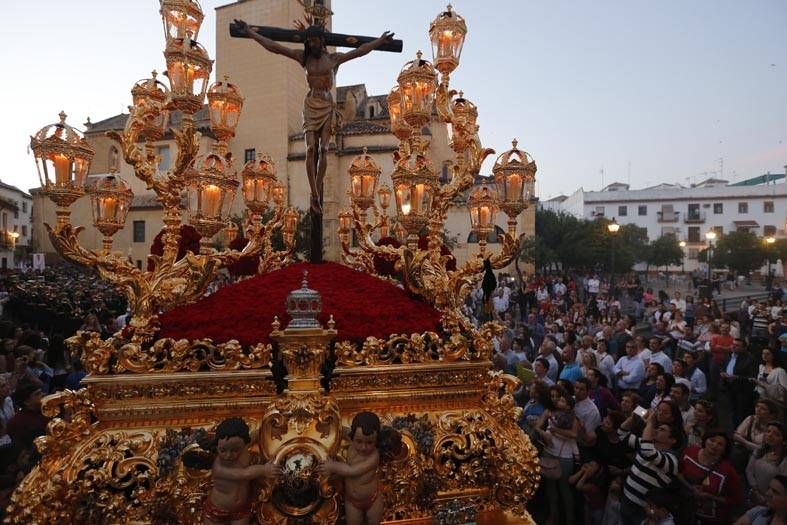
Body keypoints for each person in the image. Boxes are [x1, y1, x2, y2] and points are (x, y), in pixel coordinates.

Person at [203, 417, 280, 525]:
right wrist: (264, 470)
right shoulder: (219, 468)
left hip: (241, 510)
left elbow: (254, 435)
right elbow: (244, 473)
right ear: (217, 446)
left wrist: (271, 431)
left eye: (235, 450)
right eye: (222, 450)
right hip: (218, 511)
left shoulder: (243, 448)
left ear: (244, 445)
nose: (228, 455)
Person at [618, 410, 682, 525]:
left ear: (672, 440)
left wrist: (650, 423)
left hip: (644, 510)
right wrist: (632, 418)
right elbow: (621, 434)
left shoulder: (671, 460)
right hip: (626, 500)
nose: (656, 430)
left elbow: (648, 452)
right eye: (657, 428)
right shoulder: (645, 445)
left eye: (662, 430)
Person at [320, 412, 384, 525]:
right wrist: (328, 426)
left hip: (372, 499)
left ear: (376, 441)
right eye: (359, 441)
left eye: (370, 442)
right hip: (351, 500)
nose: (363, 447)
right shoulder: (352, 439)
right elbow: (341, 431)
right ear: (352, 436)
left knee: (374, 522)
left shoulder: (374, 457)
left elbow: (352, 471)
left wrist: (332, 466)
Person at [679, 429, 743, 524]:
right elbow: (678, 473)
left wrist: (710, 496)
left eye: (720, 444)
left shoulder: (728, 471)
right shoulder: (689, 452)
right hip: (686, 510)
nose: (715, 445)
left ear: (725, 450)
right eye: (712, 440)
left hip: (713, 519)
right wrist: (691, 488)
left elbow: (735, 499)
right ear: (705, 440)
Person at [746, 422, 787, 507]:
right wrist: (756, 491)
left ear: (784, 441)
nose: (770, 435)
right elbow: (749, 471)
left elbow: (782, 485)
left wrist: (766, 497)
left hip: (771, 501)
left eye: (776, 434)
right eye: (768, 431)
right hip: (753, 494)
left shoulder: (784, 460)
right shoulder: (759, 450)